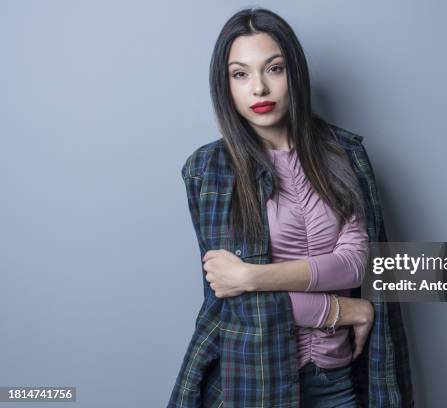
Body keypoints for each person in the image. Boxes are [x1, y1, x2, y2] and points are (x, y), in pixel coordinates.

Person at [168, 7, 414, 408]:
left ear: (294, 74)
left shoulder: (345, 154)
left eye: (274, 69)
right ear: (225, 86)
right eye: (240, 74)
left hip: (338, 382)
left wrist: (251, 275)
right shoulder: (210, 172)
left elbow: (356, 264)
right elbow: (234, 298)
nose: (259, 89)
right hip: (256, 381)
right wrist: (343, 308)